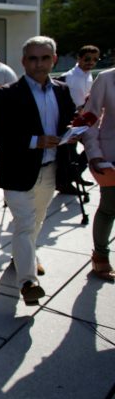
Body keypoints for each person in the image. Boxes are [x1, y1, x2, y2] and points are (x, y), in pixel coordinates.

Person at [0, 36, 77, 305]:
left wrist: (75, 131)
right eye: (33, 59)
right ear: (24, 61)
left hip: (50, 170)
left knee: (35, 222)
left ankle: (24, 256)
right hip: (17, 173)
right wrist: (34, 141)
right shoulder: (7, 94)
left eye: (45, 58)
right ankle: (28, 282)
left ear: (54, 59)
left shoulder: (62, 90)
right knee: (25, 224)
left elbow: (68, 121)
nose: (39, 64)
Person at [82, 66, 115, 281]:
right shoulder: (106, 78)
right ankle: (100, 255)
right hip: (110, 157)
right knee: (109, 207)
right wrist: (94, 153)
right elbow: (89, 118)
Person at [57, 45, 100, 194]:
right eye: (87, 59)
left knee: (91, 147)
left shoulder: (87, 74)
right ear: (79, 59)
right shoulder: (70, 77)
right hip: (69, 119)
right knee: (70, 153)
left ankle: (74, 175)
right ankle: (65, 183)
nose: (91, 63)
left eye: (95, 59)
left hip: (82, 118)